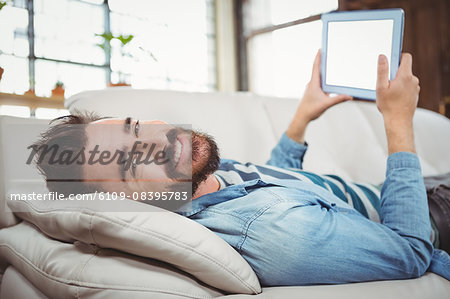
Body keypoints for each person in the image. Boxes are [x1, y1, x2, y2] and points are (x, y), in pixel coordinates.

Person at [30, 51, 449, 285]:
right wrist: (397, 121)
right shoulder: (279, 235)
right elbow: (411, 251)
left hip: (408, 186)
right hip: (430, 214)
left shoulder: (197, 178)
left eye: (134, 128)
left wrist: (302, 117)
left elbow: (272, 183)